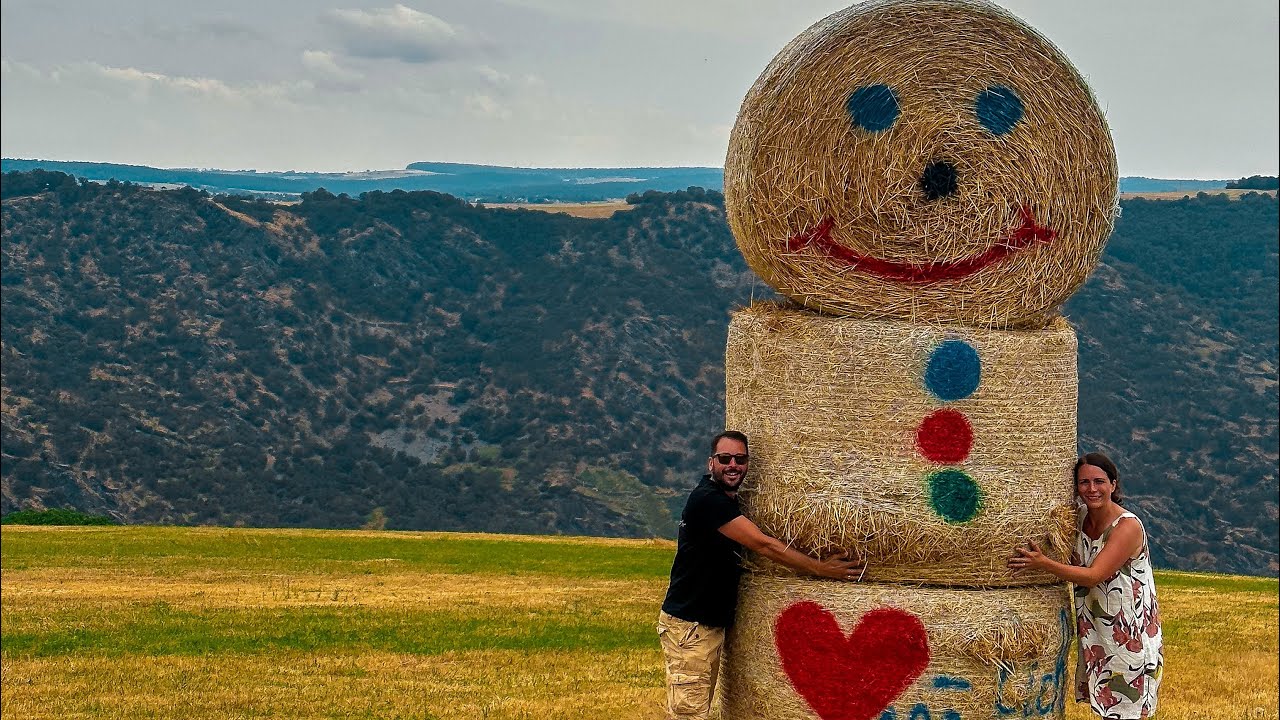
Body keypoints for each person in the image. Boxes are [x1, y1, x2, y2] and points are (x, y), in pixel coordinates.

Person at [657, 430, 863, 720]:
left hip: (705, 624)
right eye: (725, 458)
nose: (733, 465)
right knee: (689, 714)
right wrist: (819, 567)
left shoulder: (725, 500)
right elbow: (764, 544)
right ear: (710, 463)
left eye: (740, 459)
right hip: (691, 626)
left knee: (697, 709)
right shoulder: (708, 501)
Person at [1009, 452, 1163, 718]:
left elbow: (1094, 576)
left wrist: (1042, 563)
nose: (1092, 489)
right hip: (1096, 630)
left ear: (1113, 485)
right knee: (1106, 706)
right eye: (1084, 483)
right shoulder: (1078, 518)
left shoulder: (1127, 527)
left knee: (1126, 710)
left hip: (1128, 633)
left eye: (1099, 481)